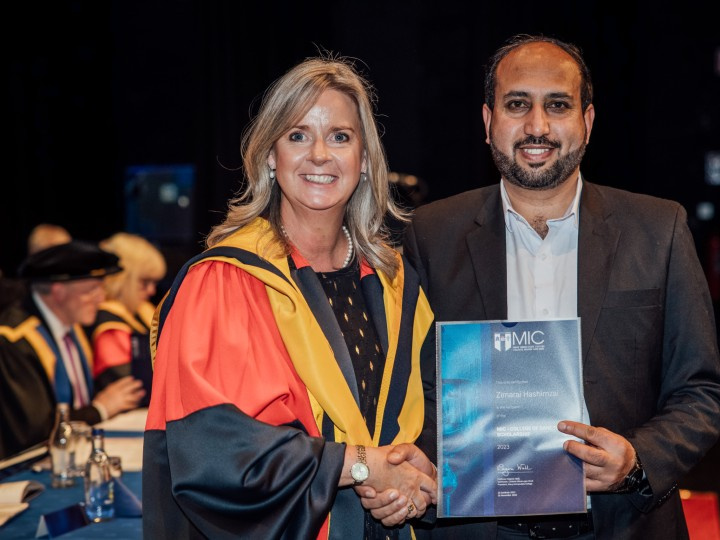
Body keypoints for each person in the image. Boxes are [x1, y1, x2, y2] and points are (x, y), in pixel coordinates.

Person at [399, 35, 720, 539]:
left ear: (587, 122)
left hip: (624, 524)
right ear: (488, 124)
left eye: (558, 105)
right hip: (477, 525)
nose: (537, 126)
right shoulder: (430, 234)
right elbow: (412, 389)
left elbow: (701, 393)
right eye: (517, 105)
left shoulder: (657, 230)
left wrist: (637, 460)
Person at [142, 55, 438, 539]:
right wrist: (363, 465)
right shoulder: (222, 283)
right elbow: (211, 452)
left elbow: (431, 404)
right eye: (297, 135)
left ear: (364, 161)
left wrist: (407, 477)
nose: (319, 154)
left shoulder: (396, 281)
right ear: (268, 157)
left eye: (340, 136)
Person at [0, 241, 147, 459]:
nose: (101, 298)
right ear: (58, 292)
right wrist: (99, 409)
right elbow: (32, 432)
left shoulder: (74, 327)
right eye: (92, 289)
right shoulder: (14, 340)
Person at [87, 232, 166, 399]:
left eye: (154, 283)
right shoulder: (108, 322)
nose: (152, 291)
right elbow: (132, 385)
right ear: (123, 279)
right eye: (144, 282)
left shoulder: (142, 311)